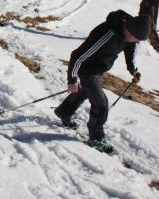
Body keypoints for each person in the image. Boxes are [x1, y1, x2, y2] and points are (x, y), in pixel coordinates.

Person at [54, 9, 151, 153]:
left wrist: (133, 69)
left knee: (85, 92)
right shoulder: (107, 35)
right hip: (88, 70)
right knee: (101, 103)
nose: (137, 42)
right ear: (129, 32)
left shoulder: (129, 31)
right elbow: (77, 56)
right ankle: (96, 138)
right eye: (137, 38)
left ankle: (64, 112)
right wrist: (72, 80)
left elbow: (130, 47)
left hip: (99, 68)